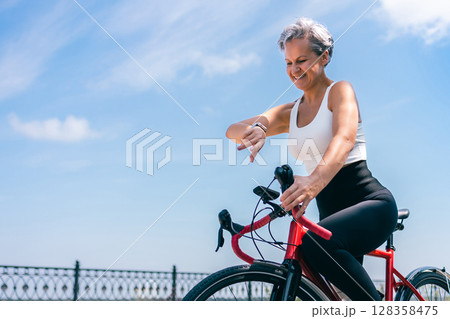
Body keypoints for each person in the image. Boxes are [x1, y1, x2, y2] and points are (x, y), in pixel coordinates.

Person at [225, 17, 398, 301]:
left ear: (325, 56)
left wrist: (314, 181)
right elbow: (232, 129)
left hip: (372, 206)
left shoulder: (339, 91)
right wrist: (256, 129)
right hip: (330, 220)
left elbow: (344, 139)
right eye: (289, 62)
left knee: (315, 247)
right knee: (331, 293)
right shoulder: (290, 112)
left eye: (302, 60)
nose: (295, 69)